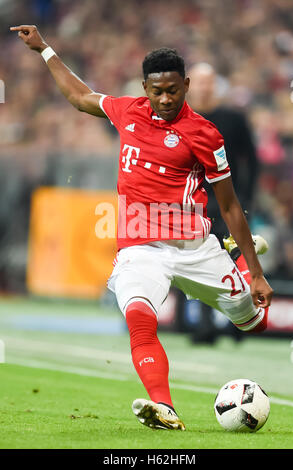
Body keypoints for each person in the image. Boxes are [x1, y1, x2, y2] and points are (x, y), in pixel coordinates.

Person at [10, 25, 273, 431]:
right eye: (157, 91)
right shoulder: (128, 110)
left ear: (185, 85)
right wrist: (44, 49)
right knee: (138, 316)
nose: (165, 99)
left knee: (253, 321)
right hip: (140, 248)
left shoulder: (205, 134)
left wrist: (255, 273)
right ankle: (164, 408)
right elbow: (80, 97)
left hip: (195, 249)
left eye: (173, 89)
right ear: (144, 87)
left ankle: (235, 258)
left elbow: (230, 204)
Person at [186, 63, 260, 343]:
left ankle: (237, 323)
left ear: (215, 85)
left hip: (229, 202)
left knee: (235, 261)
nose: (205, 88)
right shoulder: (183, 118)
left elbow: (252, 159)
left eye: (209, 82)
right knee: (200, 264)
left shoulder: (233, 119)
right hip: (193, 204)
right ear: (191, 85)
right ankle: (204, 327)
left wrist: (248, 197)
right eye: (200, 82)